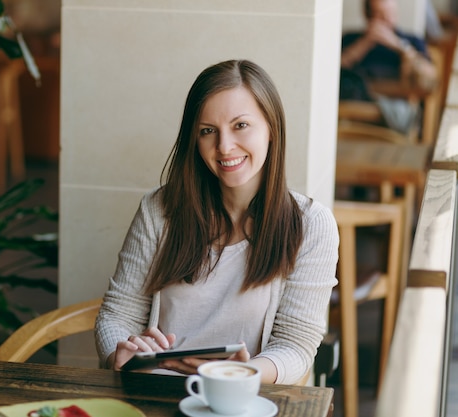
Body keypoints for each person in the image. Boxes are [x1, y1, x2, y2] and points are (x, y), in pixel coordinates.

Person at [94, 59, 339, 385]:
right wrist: (119, 354)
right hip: (157, 393)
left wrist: (240, 374)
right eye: (208, 131)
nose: (224, 147)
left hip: (246, 398)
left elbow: (296, 346)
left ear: (271, 129)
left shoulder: (311, 225)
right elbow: (117, 315)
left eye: (240, 126)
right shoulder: (160, 210)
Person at [339, 0, 438, 134]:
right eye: (381, 15)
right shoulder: (351, 38)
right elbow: (334, 70)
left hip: (396, 104)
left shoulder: (412, 41)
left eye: (390, 14)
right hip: (354, 100)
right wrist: (365, 43)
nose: (387, 21)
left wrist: (401, 47)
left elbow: (430, 79)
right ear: (368, 16)